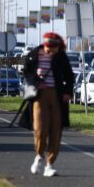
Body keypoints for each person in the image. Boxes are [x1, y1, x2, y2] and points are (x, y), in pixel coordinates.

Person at [23, 32, 74, 177]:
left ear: (58, 47)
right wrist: (35, 82)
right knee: (40, 129)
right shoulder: (34, 55)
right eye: (48, 47)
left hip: (57, 97)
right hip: (40, 97)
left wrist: (67, 92)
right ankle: (38, 156)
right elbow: (26, 72)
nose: (49, 51)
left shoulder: (61, 56)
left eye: (53, 48)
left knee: (55, 131)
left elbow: (69, 75)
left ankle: (49, 164)